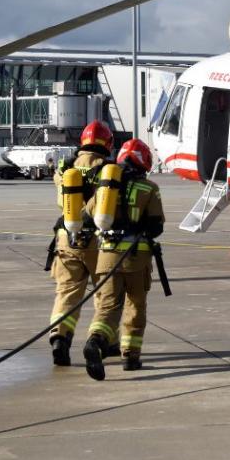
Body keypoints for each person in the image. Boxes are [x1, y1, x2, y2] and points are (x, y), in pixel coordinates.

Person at [83, 138, 165, 381]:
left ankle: (95, 341)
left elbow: (87, 218)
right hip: (136, 260)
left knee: (108, 306)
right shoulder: (149, 188)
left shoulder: (105, 188)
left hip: (106, 258)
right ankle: (130, 356)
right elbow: (155, 226)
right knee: (135, 306)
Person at [47, 120, 113, 367]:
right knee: (106, 293)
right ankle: (104, 341)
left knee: (67, 292)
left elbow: (60, 194)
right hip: (99, 240)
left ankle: (59, 339)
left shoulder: (66, 167)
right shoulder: (108, 169)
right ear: (107, 143)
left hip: (66, 237)